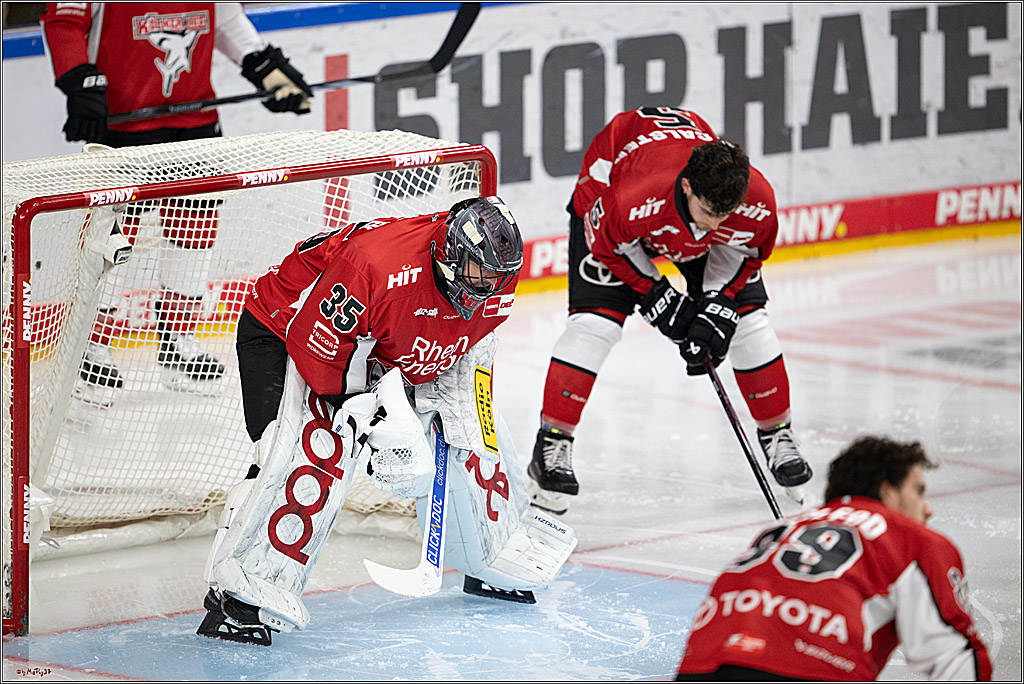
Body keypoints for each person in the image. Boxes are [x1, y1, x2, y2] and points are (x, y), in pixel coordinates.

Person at [196, 197, 577, 645]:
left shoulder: (493, 282)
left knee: (469, 428)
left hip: (386, 346)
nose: (491, 285)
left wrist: (454, 412)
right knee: (316, 448)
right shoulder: (375, 267)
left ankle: (491, 547)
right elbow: (326, 367)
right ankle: (241, 587)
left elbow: (472, 339)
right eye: (481, 274)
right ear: (451, 255)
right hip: (291, 333)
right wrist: (381, 430)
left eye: (499, 276)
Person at [527, 106, 812, 514]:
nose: (716, 225)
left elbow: (746, 256)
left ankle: (778, 434)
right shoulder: (630, 196)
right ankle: (552, 443)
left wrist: (719, 302)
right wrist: (656, 295)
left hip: (665, 211)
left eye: (725, 215)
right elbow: (608, 247)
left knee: (749, 323)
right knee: (595, 326)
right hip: (614, 215)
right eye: (709, 213)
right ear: (689, 187)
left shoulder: (757, 201)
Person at [41, 2, 313, 399]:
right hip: (125, 122)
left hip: (196, 120)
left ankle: (176, 342)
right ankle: (90, 345)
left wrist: (264, 66)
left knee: (194, 234)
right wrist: (79, 79)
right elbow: (64, 21)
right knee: (113, 237)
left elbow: (225, 18)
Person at [676, 435, 993, 681]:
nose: (927, 509)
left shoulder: (785, 527)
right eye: (919, 491)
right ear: (886, 492)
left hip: (702, 662)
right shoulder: (913, 539)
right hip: (806, 669)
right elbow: (956, 655)